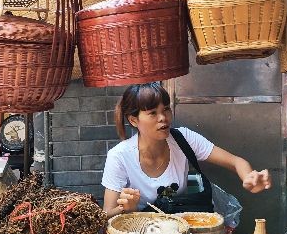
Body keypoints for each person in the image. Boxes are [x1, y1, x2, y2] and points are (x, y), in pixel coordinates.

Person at [102, 83, 271, 217]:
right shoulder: (119, 156)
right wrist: (126, 209)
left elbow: (235, 161)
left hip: (184, 231)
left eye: (166, 109)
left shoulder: (183, 138)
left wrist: (249, 176)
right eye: (153, 113)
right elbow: (107, 214)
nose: (163, 118)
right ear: (133, 120)